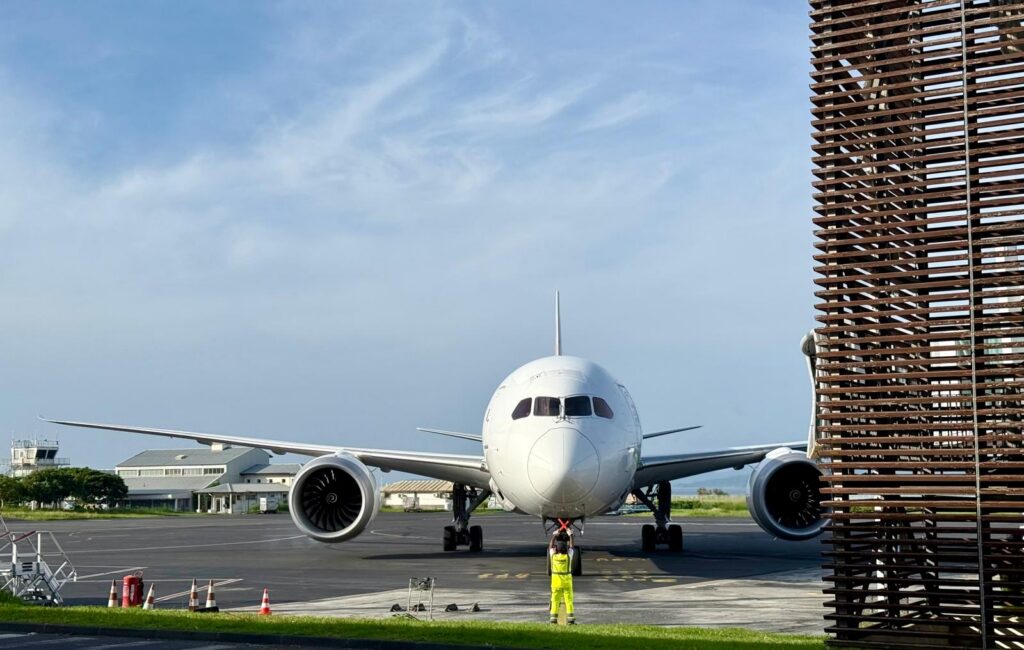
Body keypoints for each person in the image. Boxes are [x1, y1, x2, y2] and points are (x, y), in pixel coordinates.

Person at [548, 533, 575, 624]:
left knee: (555, 600)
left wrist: (554, 535)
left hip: (556, 583)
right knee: (569, 600)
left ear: (556, 549)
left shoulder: (553, 556)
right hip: (567, 582)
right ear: (566, 549)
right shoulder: (568, 556)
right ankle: (571, 619)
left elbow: (550, 546)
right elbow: (572, 547)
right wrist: (570, 535)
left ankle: (553, 619)